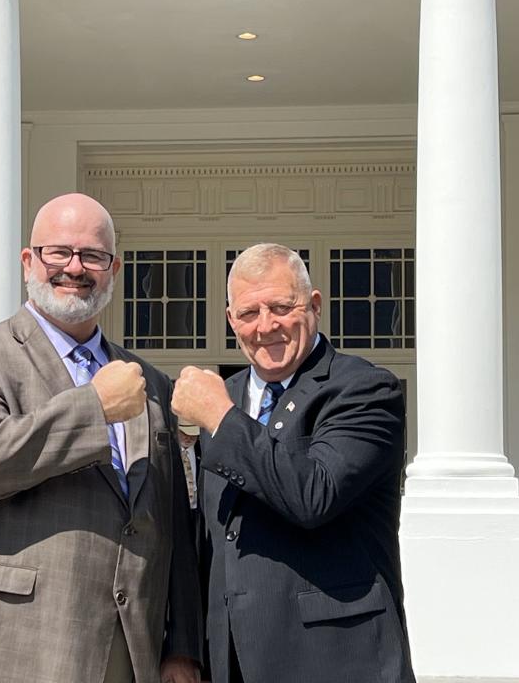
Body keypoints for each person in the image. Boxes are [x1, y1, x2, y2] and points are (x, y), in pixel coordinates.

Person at [0, 193, 202, 683]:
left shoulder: (149, 383)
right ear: (29, 261)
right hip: (10, 641)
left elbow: (171, 522)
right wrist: (94, 408)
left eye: (93, 256)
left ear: (112, 269)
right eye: (59, 252)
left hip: (127, 649)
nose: (75, 268)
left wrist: (182, 646)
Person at [172, 243, 415, 683]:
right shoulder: (224, 399)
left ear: (315, 305)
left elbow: (313, 494)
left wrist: (219, 419)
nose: (265, 326)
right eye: (248, 313)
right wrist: (187, 648)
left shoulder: (365, 390)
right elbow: (207, 540)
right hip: (232, 660)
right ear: (231, 320)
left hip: (338, 660)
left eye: (281, 307)